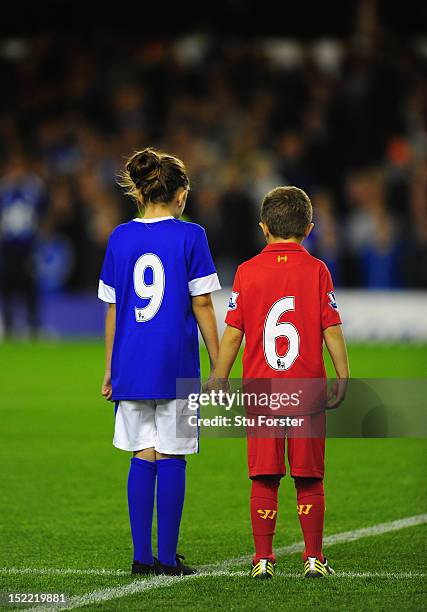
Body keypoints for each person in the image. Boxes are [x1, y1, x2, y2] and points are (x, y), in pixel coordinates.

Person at [210, 186, 349, 579]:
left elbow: (234, 332)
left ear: (263, 228)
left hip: (262, 391)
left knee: (264, 474)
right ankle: (313, 558)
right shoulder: (317, 270)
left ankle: (263, 559)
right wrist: (342, 374)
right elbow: (331, 326)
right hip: (306, 388)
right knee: (309, 475)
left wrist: (220, 376)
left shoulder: (246, 271)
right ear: (309, 227)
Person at [98, 148, 221, 576]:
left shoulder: (119, 237)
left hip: (131, 365)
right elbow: (202, 303)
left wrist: (110, 368)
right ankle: (167, 558)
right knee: (173, 455)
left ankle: (141, 557)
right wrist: (219, 363)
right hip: (177, 367)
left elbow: (113, 308)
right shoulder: (192, 236)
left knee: (142, 452)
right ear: (181, 194)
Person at [0, 153, 46, 337]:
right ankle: (9, 324)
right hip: (8, 246)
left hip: (28, 246)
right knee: (8, 285)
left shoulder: (33, 188)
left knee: (30, 285)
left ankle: (33, 324)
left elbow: (43, 213)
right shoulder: (3, 190)